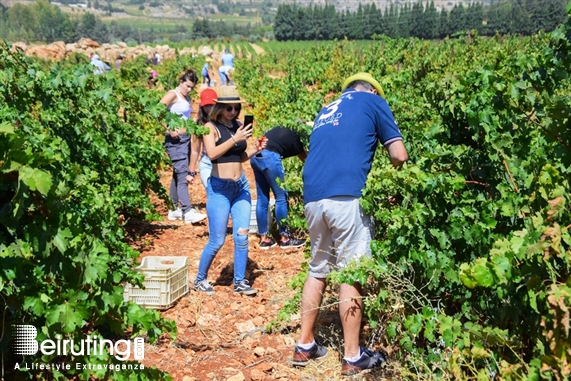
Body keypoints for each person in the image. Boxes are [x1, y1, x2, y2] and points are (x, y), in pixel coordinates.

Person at [292, 73, 408, 376]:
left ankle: (304, 345)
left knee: (318, 270)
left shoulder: (326, 110)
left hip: (313, 199)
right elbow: (399, 154)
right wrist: (393, 181)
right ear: (370, 90)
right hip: (347, 196)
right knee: (351, 272)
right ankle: (353, 355)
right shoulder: (374, 101)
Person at [193, 86, 267, 296]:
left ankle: (240, 282)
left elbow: (240, 157)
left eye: (236, 108)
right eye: (229, 108)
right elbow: (213, 154)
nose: (233, 112)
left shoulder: (238, 126)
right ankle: (200, 279)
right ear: (220, 108)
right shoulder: (210, 127)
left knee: (242, 236)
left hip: (240, 186)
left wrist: (256, 148)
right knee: (217, 240)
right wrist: (235, 138)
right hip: (220, 188)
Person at [159, 69, 207, 225]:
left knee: (177, 173)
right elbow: (156, 111)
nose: (189, 89)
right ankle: (187, 211)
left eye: (192, 87)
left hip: (185, 139)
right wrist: (169, 128)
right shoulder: (172, 94)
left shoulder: (186, 96)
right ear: (181, 82)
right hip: (175, 141)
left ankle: (173, 209)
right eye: (187, 86)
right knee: (182, 175)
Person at [250, 126, 307, 250]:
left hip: (255, 155)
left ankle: (264, 239)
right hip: (270, 157)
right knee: (281, 198)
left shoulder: (284, 127)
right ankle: (285, 238)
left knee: (262, 198)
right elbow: (305, 159)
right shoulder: (298, 137)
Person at [189, 88, 216, 190]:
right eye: (206, 106)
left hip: (222, 164)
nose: (209, 108)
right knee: (211, 192)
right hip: (207, 163)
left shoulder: (223, 121)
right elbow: (195, 150)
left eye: (211, 105)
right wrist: (191, 171)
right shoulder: (200, 124)